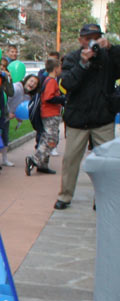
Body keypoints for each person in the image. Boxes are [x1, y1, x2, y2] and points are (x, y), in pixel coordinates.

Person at [54, 23, 120, 210]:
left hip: (102, 118)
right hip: (78, 119)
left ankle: (102, 198)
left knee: (107, 163)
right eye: (88, 38)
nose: (92, 41)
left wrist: (112, 47)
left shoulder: (108, 56)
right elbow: (67, 83)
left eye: (96, 37)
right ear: (80, 40)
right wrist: (83, 63)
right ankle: (65, 196)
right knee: (70, 161)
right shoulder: (73, 58)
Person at [26, 58, 64, 175]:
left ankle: (43, 164)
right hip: (50, 114)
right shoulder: (51, 81)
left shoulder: (48, 80)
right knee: (51, 139)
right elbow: (49, 97)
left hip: (49, 113)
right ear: (56, 68)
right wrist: (63, 99)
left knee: (45, 138)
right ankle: (35, 159)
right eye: (60, 67)